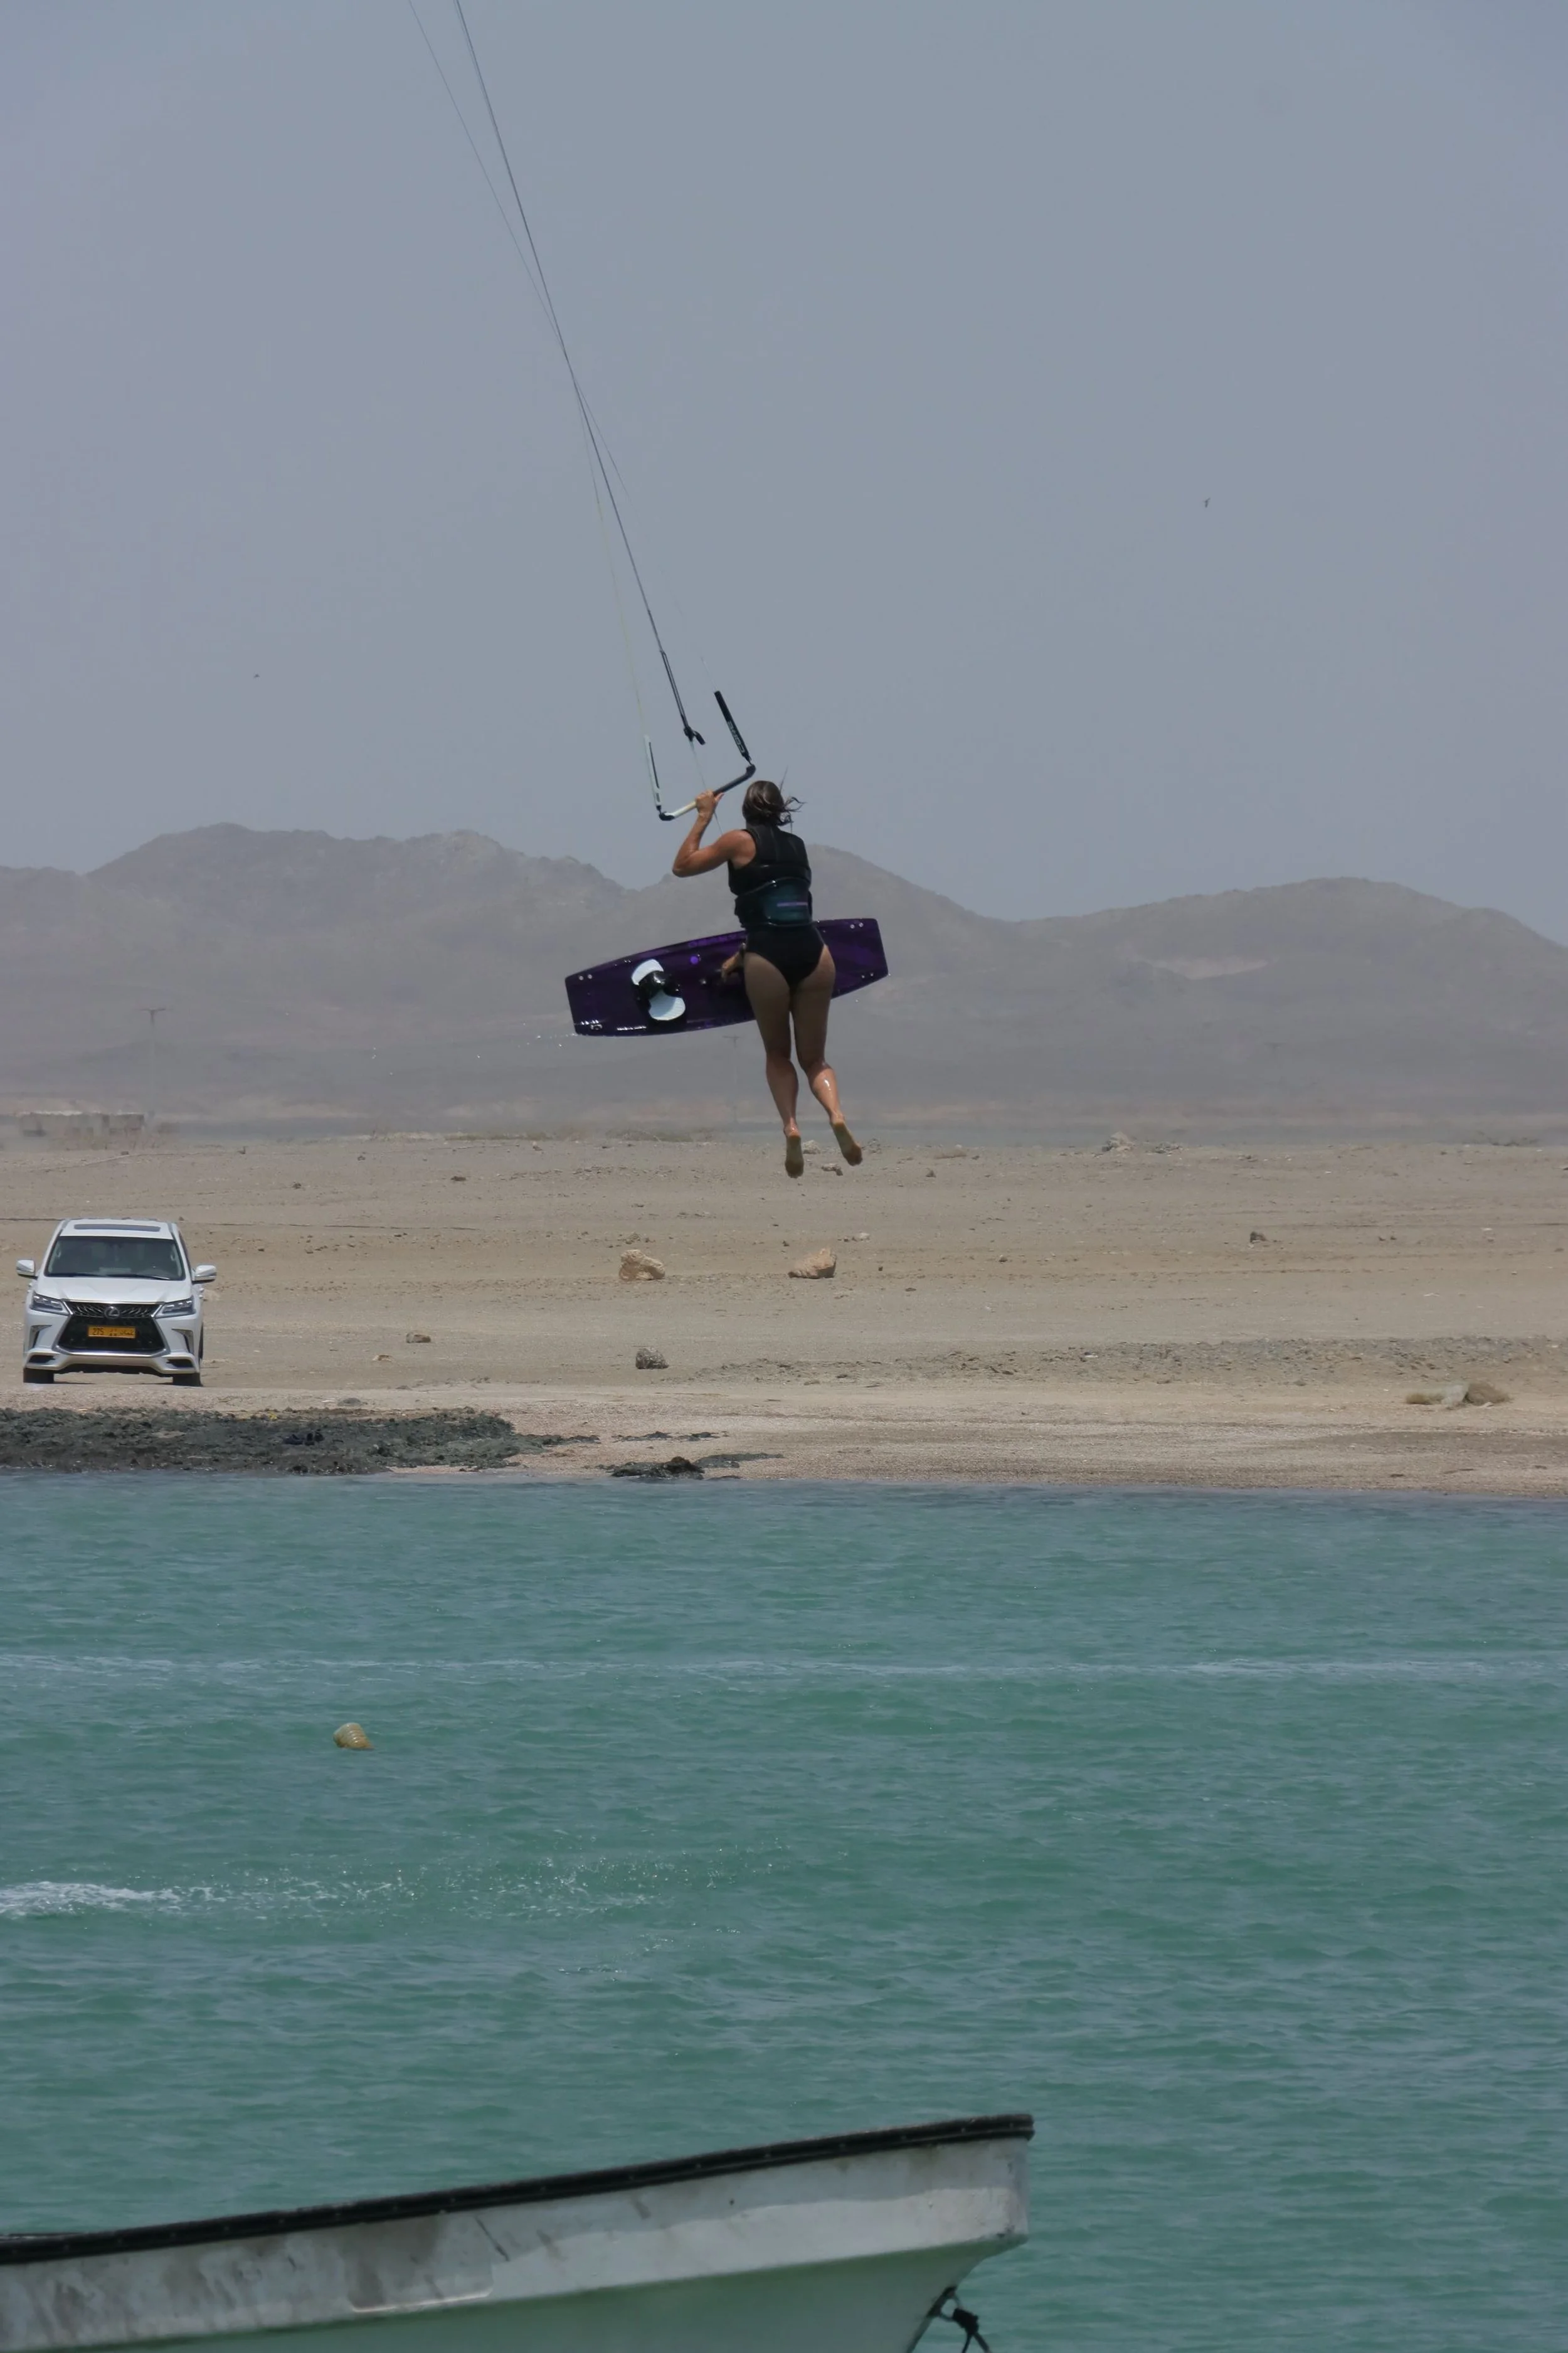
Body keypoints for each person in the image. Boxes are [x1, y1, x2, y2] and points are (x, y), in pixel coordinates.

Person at [672, 778, 862, 1177]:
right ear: (780, 811)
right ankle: (837, 1115)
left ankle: (791, 1127)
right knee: (815, 1059)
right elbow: (789, 910)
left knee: (778, 1054)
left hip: (767, 956)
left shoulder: (738, 841)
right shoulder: (798, 847)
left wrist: (704, 816)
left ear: (746, 811)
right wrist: (742, 955)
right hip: (815, 953)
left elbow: (683, 866)